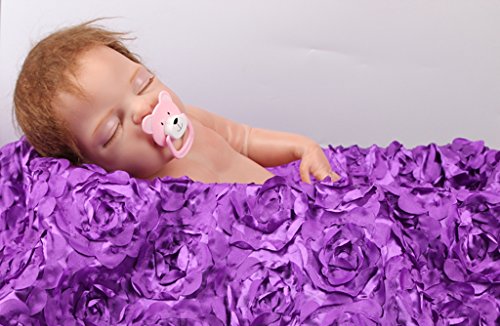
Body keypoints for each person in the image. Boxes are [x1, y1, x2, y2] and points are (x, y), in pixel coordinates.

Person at [13, 19, 341, 185]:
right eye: (113, 129)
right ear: (91, 165)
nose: (144, 108)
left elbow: (245, 138)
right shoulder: (149, 194)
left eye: (143, 84)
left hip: (294, 213)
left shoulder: (193, 120)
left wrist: (302, 147)